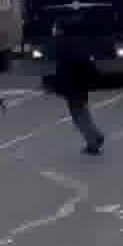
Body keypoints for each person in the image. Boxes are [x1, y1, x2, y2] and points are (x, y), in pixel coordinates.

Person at [46, 25, 105, 154]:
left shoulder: (62, 45)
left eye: (57, 30)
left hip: (73, 85)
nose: (55, 32)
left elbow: (62, 70)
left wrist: (55, 85)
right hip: (81, 83)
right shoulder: (77, 43)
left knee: (78, 115)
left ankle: (93, 141)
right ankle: (96, 135)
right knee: (83, 110)